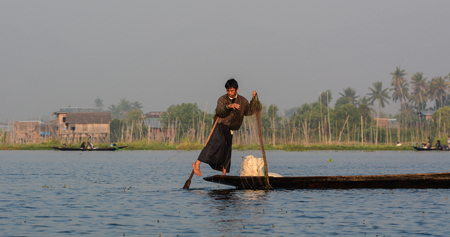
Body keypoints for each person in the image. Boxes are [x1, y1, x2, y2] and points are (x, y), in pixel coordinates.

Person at [192, 78, 257, 176]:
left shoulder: (243, 101)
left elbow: (250, 112)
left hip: (230, 128)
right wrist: (229, 106)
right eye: (228, 91)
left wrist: (253, 100)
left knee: (227, 150)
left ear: (237, 89)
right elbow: (219, 111)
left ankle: (224, 173)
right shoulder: (222, 99)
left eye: (232, 91)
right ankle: (197, 163)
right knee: (215, 144)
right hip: (219, 124)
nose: (230, 93)